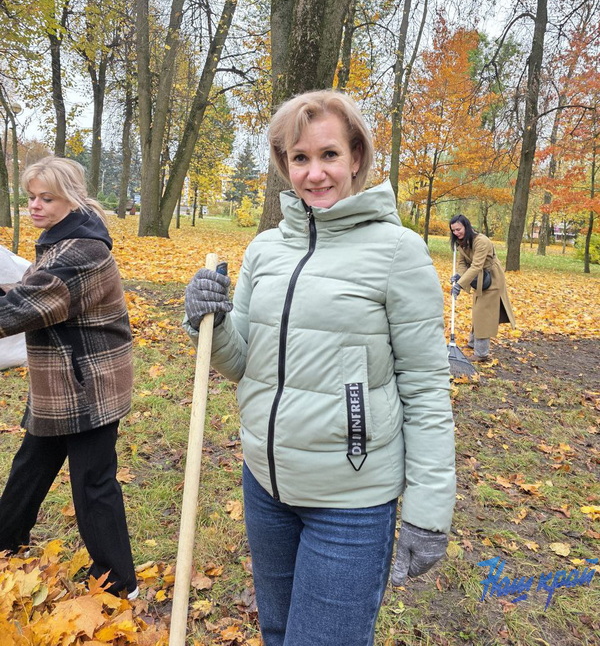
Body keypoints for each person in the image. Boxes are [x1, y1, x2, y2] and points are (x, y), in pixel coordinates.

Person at [184, 90, 456, 646]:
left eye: (328, 154)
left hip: (350, 503)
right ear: (285, 165)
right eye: (299, 158)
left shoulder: (397, 252)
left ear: (356, 157)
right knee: (279, 632)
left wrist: (429, 512)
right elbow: (245, 364)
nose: (314, 173)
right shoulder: (263, 250)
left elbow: (427, 387)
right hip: (265, 485)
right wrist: (208, 321)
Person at [0, 156, 138, 599]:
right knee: (31, 467)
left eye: (46, 198)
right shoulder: (59, 242)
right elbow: (26, 291)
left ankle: (119, 583)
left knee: (93, 482)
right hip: (59, 381)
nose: (35, 207)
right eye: (31, 198)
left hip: (87, 386)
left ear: (72, 198)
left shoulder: (83, 251)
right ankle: (5, 543)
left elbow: (24, 307)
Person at [449, 214, 516, 362]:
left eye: (458, 229)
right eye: (453, 230)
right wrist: (458, 276)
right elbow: (462, 263)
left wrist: (460, 285)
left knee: (483, 314)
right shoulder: (462, 242)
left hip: (491, 278)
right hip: (478, 278)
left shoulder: (481, 241)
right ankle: (473, 343)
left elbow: (476, 265)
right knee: (477, 309)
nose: (456, 233)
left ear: (466, 226)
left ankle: (481, 354)